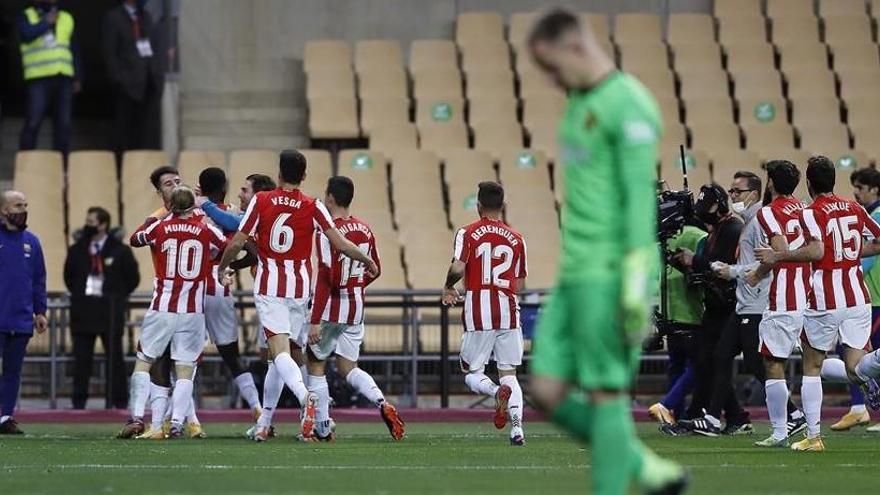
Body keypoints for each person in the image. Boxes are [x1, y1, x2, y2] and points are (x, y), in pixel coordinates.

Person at [526, 10, 686, 495]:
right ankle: (643, 466)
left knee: (605, 396)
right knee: (547, 390)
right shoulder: (577, 104)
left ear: (575, 47)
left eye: (552, 68)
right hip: (572, 275)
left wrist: (637, 286)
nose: (552, 81)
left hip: (611, 273)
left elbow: (641, 203)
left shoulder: (630, 104)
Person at [217, 149, 378, 442]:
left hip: (270, 286)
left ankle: (307, 399)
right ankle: (266, 423)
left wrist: (223, 267)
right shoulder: (314, 205)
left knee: (278, 352)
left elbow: (237, 241)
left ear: (279, 172)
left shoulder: (262, 201)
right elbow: (340, 244)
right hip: (301, 288)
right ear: (304, 176)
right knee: (287, 356)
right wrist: (365, 260)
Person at [754, 156, 880, 452]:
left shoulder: (811, 212)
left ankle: (813, 437)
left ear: (809, 183)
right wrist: (847, 254)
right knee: (856, 367)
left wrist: (777, 256)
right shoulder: (854, 206)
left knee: (812, 365)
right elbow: (876, 241)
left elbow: (816, 250)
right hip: (858, 298)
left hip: (824, 299)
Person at [690, 173, 805, 437]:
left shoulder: (760, 220)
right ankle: (711, 418)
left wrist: (732, 272)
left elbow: (771, 258)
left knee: (756, 364)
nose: (733, 197)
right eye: (731, 192)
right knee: (721, 356)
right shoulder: (751, 221)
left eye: (738, 192)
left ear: (754, 193)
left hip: (757, 303)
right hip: (745, 304)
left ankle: (794, 414)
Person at [118, 186, 227, 439]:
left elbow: (135, 238)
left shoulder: (160, 227)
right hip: (192, 310)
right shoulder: (205, 229)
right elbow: (224, 247)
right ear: (193, 207)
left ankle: (137, 418)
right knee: (185, 369)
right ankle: (176, 423)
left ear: (172, 206)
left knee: (144, 361)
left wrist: (157, 217)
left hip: (163, 306)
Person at [307, 176, 404, 441]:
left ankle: (323, 427)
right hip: (355, 308)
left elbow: (326, 277)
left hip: (331, 308)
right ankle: (382, 402)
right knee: (348, 368)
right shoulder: (364, 229)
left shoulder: (326, 232)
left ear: (329, 199)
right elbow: (376, 269)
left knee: (316, 365)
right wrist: (357, 286)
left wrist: (315, 319)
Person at [441, 181, 527, 445]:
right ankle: (517, 430)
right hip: (508, 309)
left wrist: (447, 287)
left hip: (479, 307)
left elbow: (458, 267)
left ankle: (494, 392)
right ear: (503, 206)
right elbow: (520, 283)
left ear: (478, 206)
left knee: (471, 372)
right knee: (509, 372)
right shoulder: (517, 238)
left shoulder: (467, 233)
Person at [742, 160, 813, 448]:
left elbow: (779, 251)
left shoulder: (769, 213)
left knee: (772, 363)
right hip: (809, 293)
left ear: (770, 182)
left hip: (785, 297)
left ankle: (780, 432)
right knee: (814, 362)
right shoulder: (805, 209)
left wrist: (757, 274)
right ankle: (862, 372)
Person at [669, 185, 742, 427]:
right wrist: (686, 264)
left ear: (720, 205)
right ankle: (727, 416)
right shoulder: (717, 230)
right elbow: (707, 269)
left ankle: (720, 416)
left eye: (708, 207)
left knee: (718, 361)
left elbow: (721, 267)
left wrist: (695, 260)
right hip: (713, 305)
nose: (704, 213)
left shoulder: (732, 229)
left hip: (727, 306)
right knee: (705, 361)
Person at [194, 167, 262, 419]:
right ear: (224, 187)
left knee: (185, 357)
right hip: (219, 283)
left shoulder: (189, 212)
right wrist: (231, 265)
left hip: (190, 287)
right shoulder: (234, 212)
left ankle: (180, 417)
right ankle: (256, 405)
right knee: (232, 355)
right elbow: (253, 253)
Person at [63, 207, 140, 409]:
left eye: (92, 221)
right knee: (81, 361)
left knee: (115, 360)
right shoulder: (77, 249)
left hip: (110, 312)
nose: (87, 225)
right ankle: (79, 402)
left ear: (103, 224)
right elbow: (69, 277)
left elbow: (132, 278)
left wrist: (115, 294)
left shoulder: (120, 250)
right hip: (83, 312)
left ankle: (119, 401)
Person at [830, 167, 880, 431]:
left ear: (873, 189)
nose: (856, 193)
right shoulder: (869, 215)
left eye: (860, 188)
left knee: (860, 355)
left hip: (874, 296)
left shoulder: (877, 216)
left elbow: (868, 259)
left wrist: (843, 275)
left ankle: (860, 408)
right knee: (860, 355)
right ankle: (858, 408)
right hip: (868, 296)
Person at [0, 190, 47, 435]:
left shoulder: (33, 241)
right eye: (18, 205)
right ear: (4, 210)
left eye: (25, 205)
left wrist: (40, 311)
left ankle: (5, 416)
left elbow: (38, 280)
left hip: (20, 318)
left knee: (13, 371)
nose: (23, 209)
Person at [649, 223, 706, 428]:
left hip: (670, 313)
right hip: (691, 313)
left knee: (677, 367)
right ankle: (667, 406)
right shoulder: (696, 234)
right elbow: (706, 260)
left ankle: (675, 416)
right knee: (699, 365)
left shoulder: (662, 239)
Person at [17, 0, 81, 155]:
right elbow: (26, 34)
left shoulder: (66, 17)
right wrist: (46, 22)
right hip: (38, 78)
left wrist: (77, 76)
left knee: (64, 125)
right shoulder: (27, 15)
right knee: (33, 122)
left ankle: (61, 168)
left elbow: (74, 49)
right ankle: (25, 163)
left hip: (64, 77)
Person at [101, 0, 165, 156]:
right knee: (123, 131)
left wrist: (156, 72)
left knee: (146, 132)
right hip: (127, 83)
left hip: (148, 82)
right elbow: (109, 52)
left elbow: (153, 45)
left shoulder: (146, 16)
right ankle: (122, 169)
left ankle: (143, 167)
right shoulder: (114, 17)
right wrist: (119, 78)